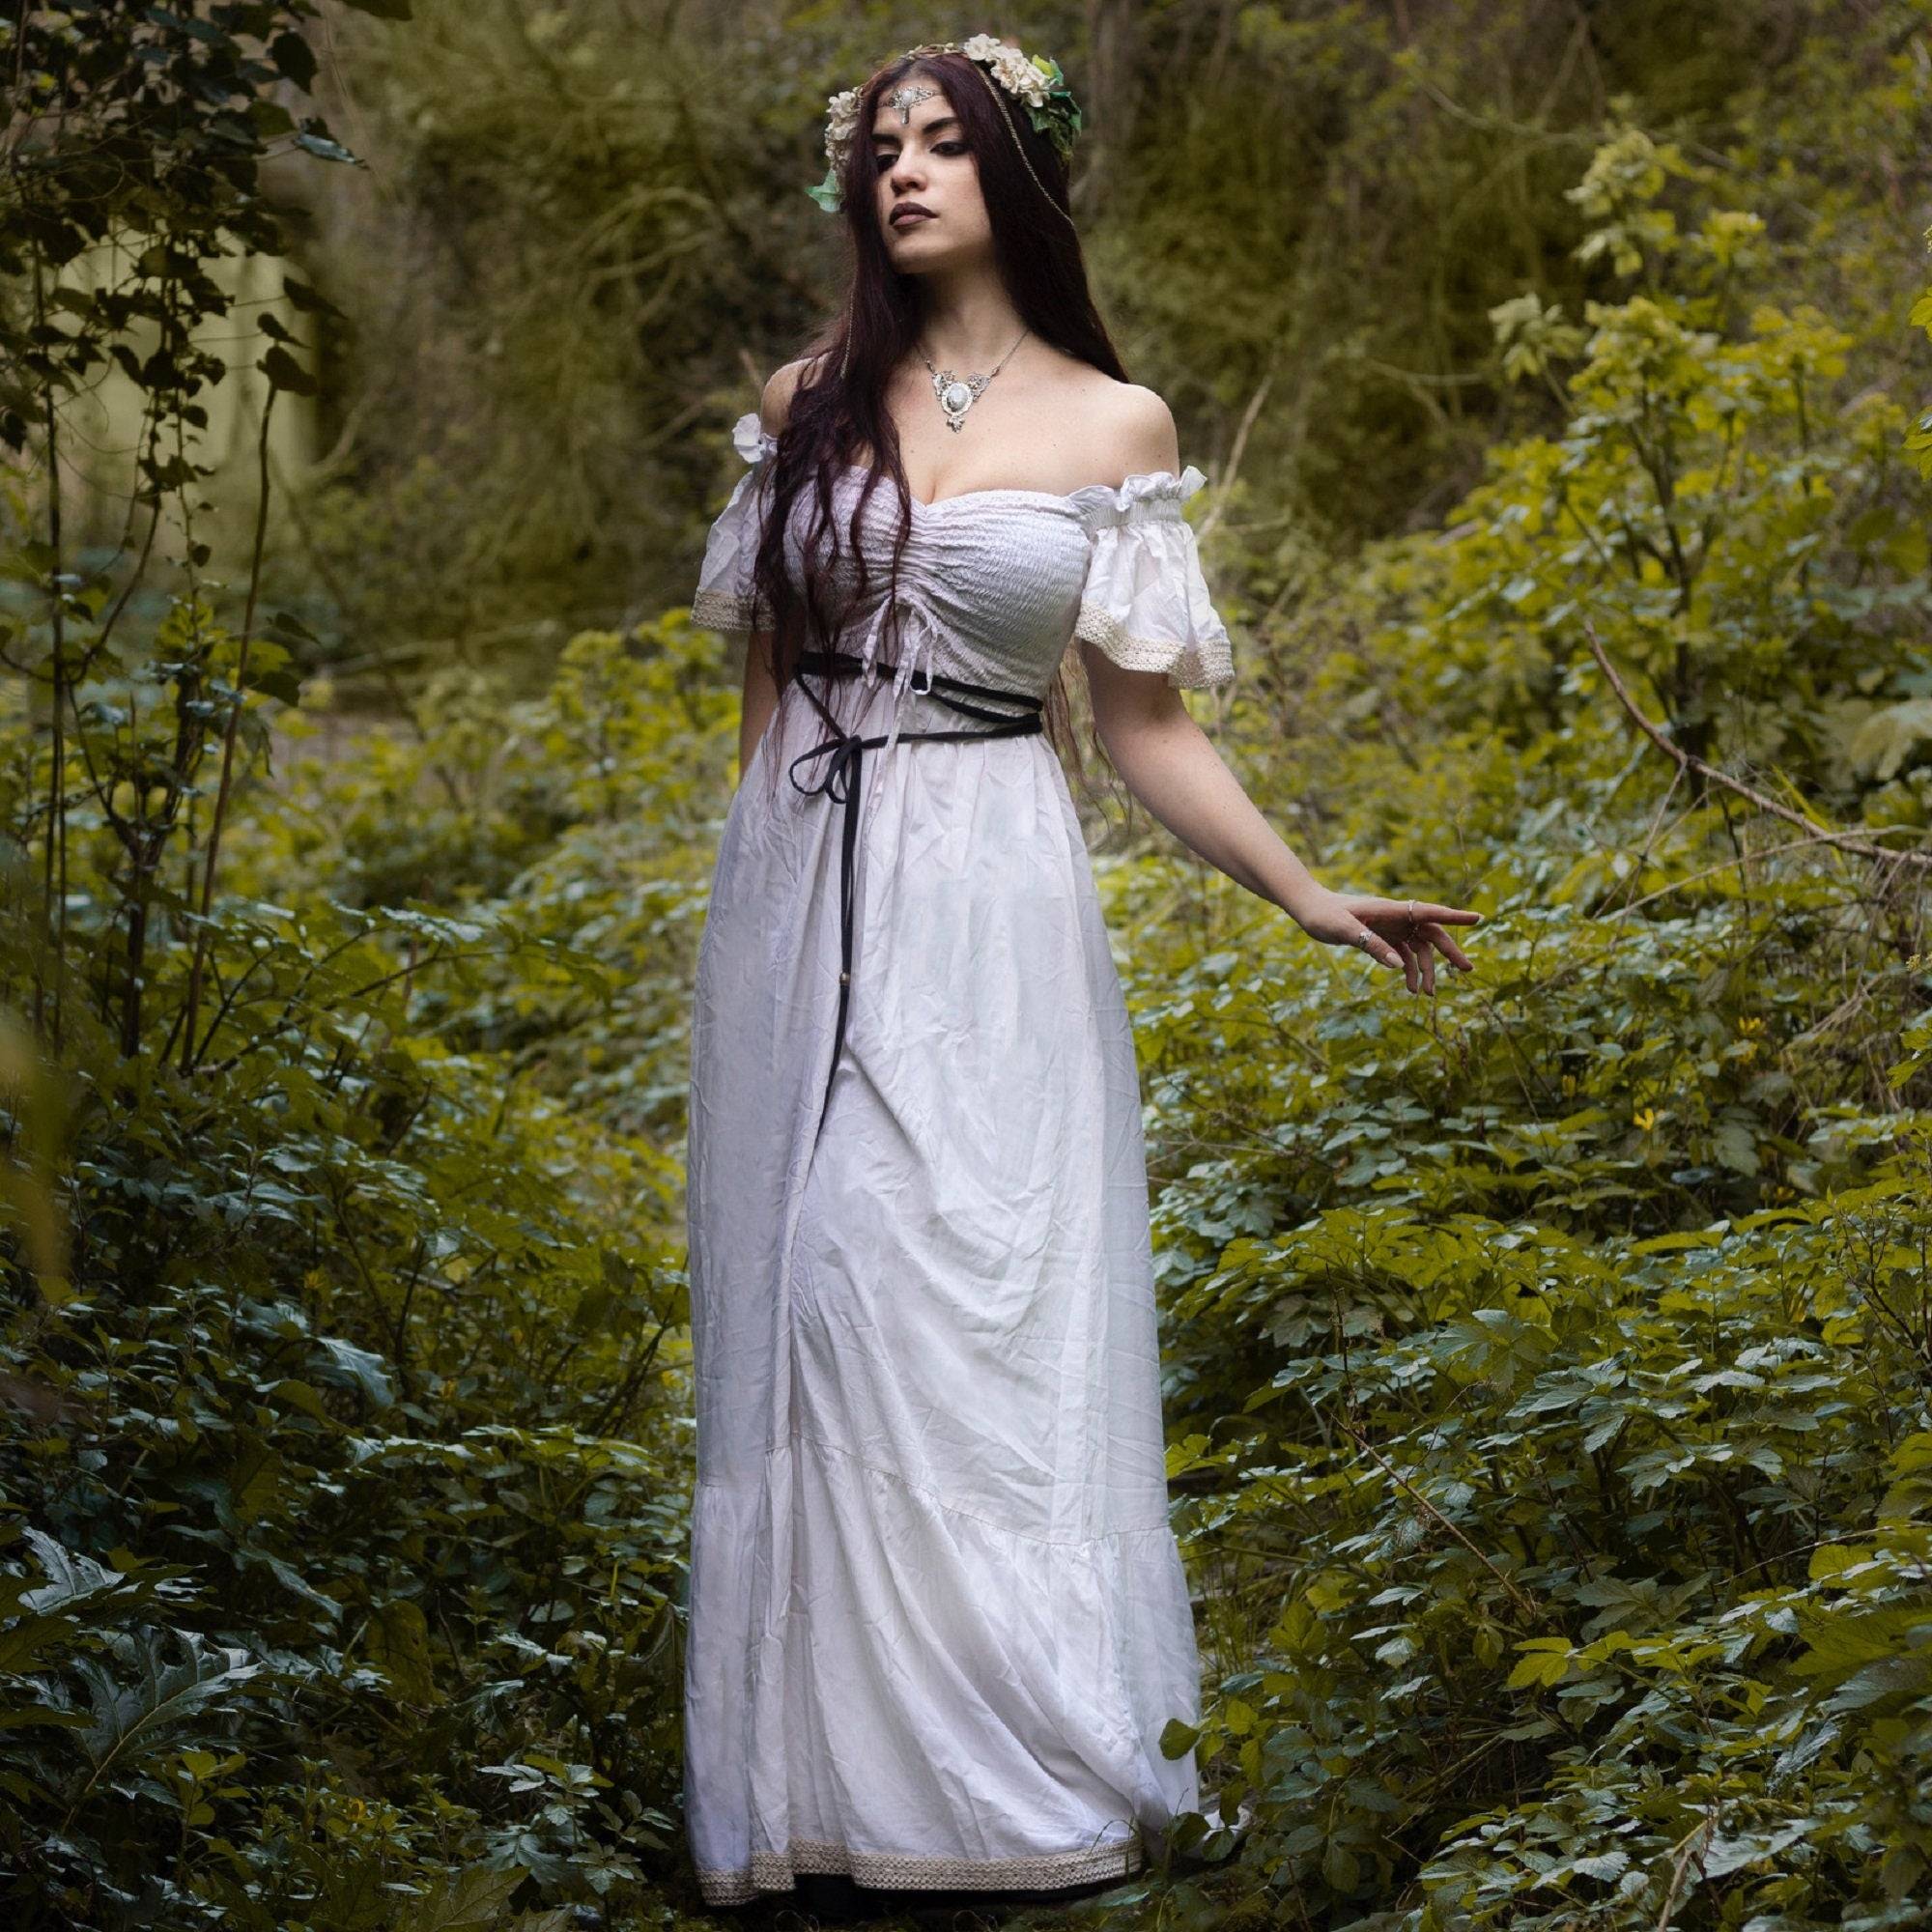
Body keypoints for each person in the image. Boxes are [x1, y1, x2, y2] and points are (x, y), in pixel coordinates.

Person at [681, 34, 1482, 1916]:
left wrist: (1303, 892)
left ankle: (1004, 1780)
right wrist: (760, 913)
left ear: (1018, 175)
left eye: (945, 143)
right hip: (805, 875)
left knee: (955, 1290)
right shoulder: (802, 403)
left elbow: (1141, 721)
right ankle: (825, 1789)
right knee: (821, 1291)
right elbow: (765, 700)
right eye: (881, 147)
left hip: (992, 884)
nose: (904, 173)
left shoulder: (1109, 424)